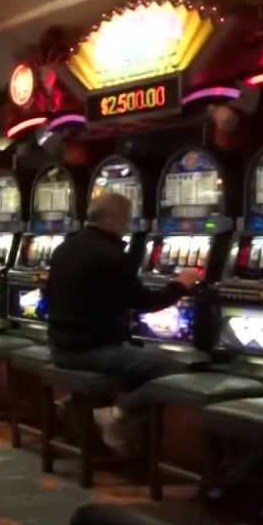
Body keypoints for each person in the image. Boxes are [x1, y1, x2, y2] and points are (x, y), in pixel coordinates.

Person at [46, 192, 201, 451]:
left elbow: (50, 295)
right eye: (126, 220)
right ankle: (116, 415)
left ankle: (77, 404)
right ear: (113, 220)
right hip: (91, 351)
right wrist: (181, 284)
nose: (128, 226)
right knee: (172, 368)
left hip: (59, 346)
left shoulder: (65, 248)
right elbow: (146, 302)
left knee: (139, 360)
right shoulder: (111, 255)